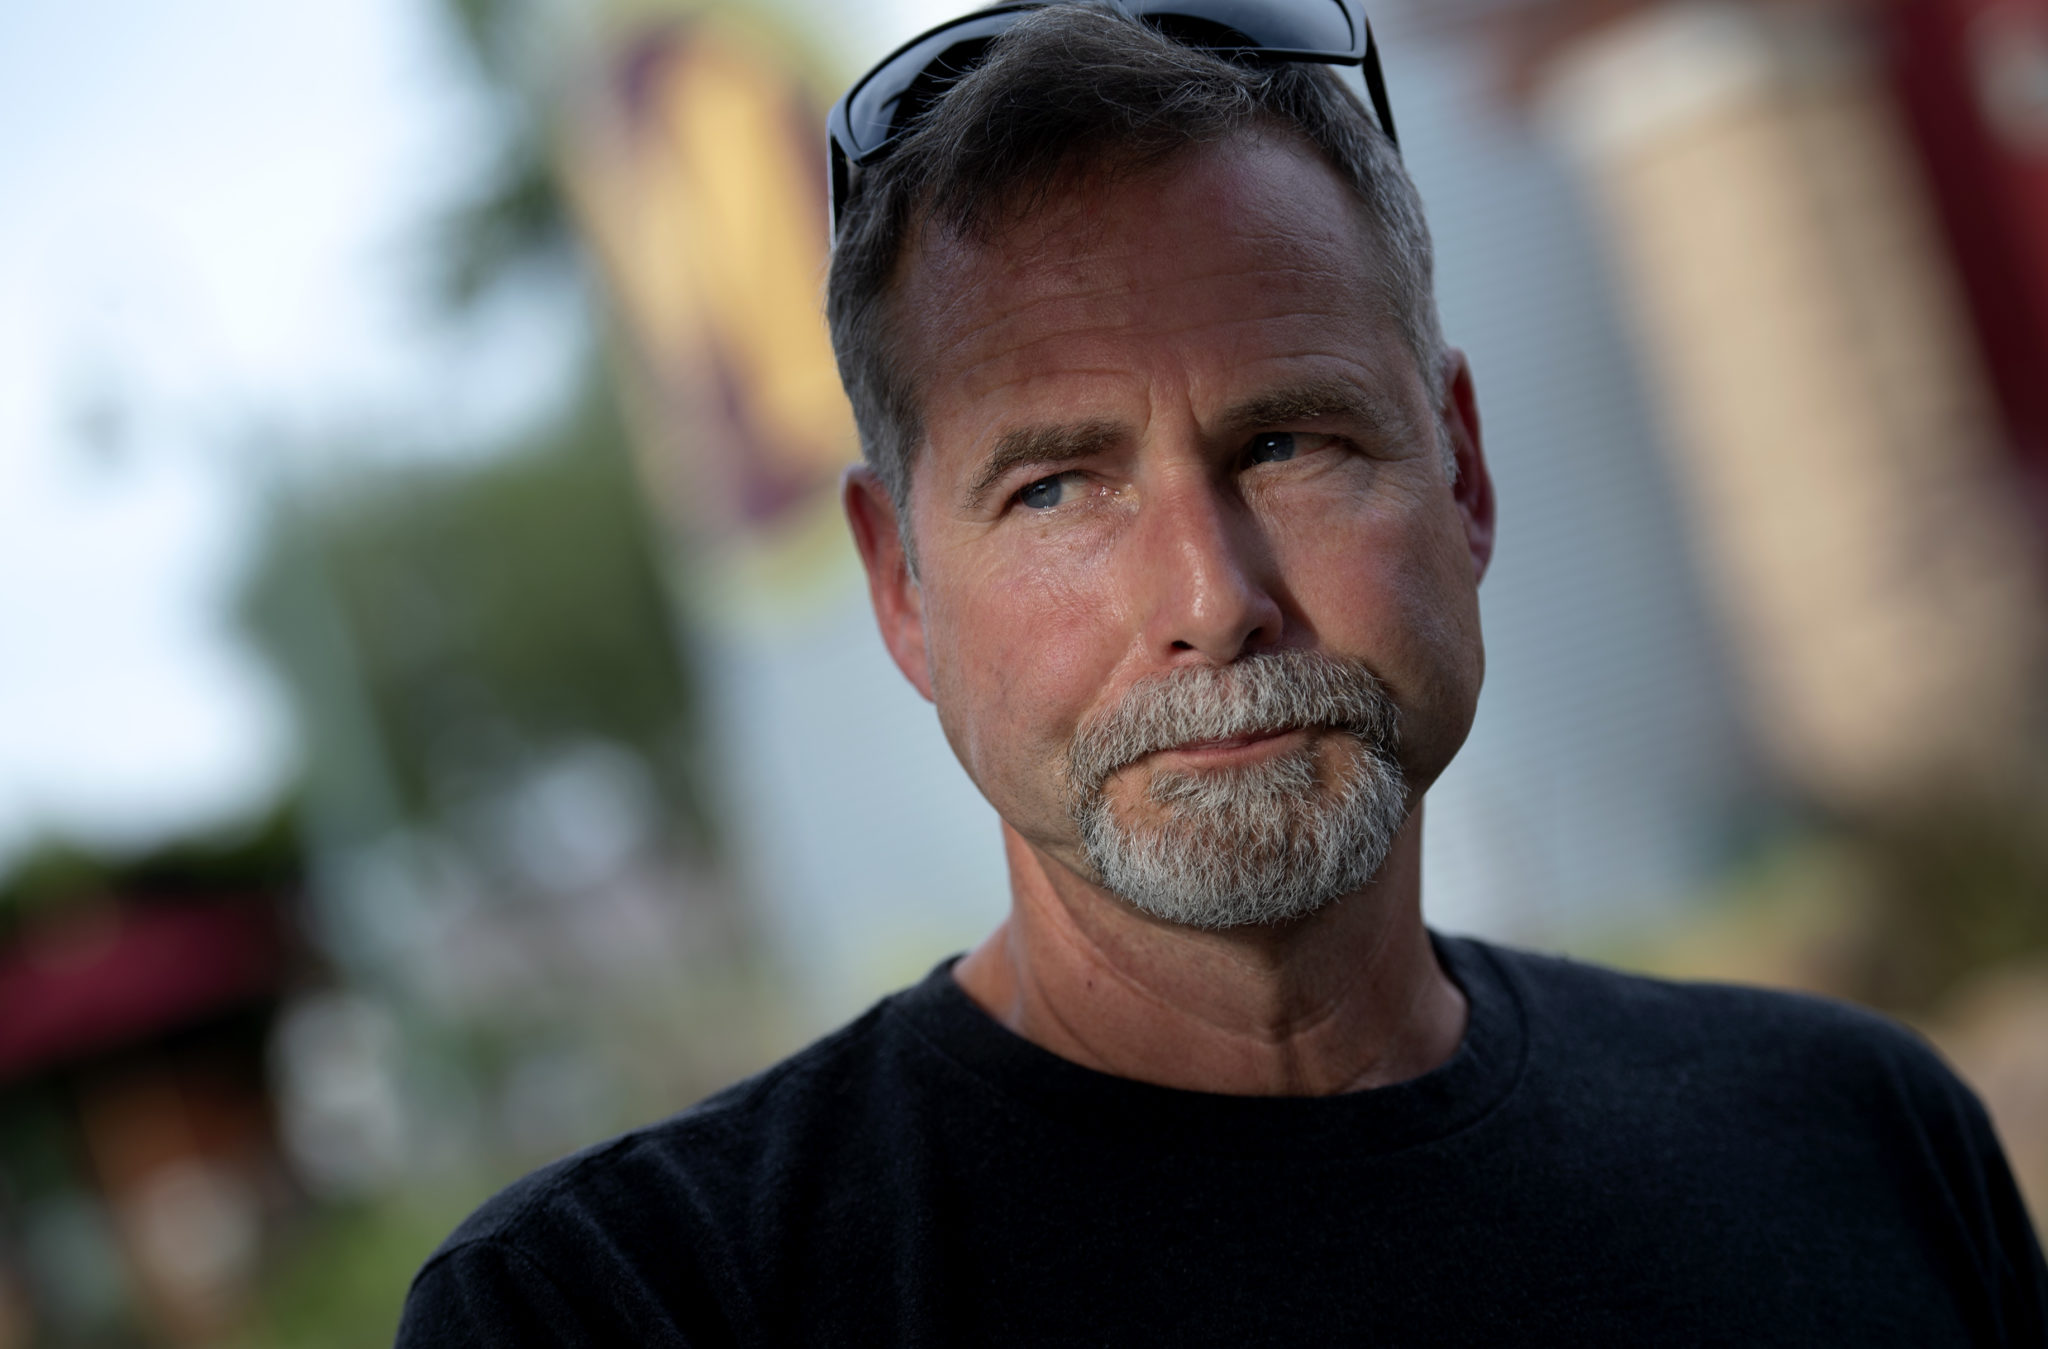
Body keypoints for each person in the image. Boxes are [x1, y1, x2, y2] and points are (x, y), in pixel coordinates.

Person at [396, 2, 2048, 1343]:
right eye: (1059, 487)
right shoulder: (628, 1308)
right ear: (901, 587)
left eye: (1287, 442)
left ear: (1463, 473)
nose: (1213, 599)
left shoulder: (1861, 1145)